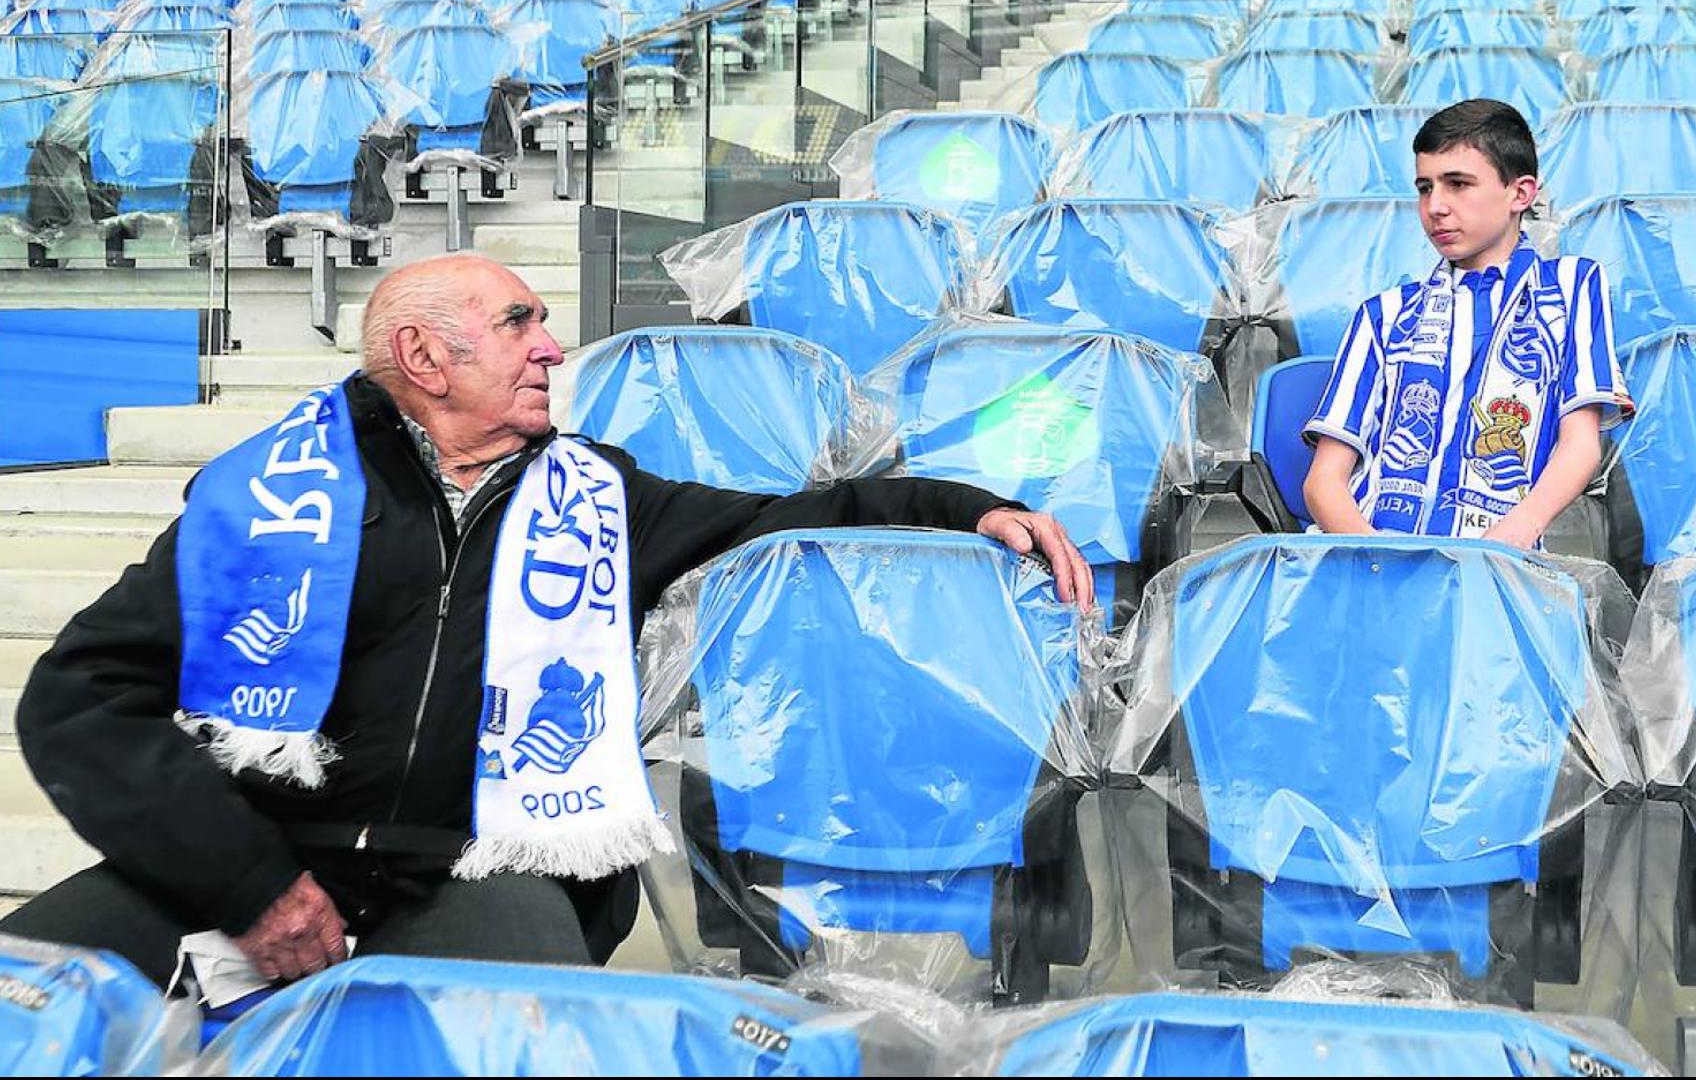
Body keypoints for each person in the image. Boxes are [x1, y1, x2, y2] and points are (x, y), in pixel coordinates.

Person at [4, 254, 1094, 990]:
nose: (552, 346)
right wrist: (250, 885)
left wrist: (969, 506)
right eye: (518, 322)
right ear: (428, 359)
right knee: (27, 1004)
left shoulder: (599, 498)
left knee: (535, 1037)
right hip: (260, 855)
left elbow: (795, 514)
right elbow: (78, 697)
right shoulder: (273, 497)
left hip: (482, 874)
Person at [1302, 99, 1633, 548]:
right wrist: (1379, 559)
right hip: (1370, 555)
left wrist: (1504, 543)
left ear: (1521, 193)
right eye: (1424, 188)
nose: (1435, 206)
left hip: (1499, 559)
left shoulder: (1573, 287)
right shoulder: (1383, 314)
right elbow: (1323, 482)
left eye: (1458, 184)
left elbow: (1581, 446)